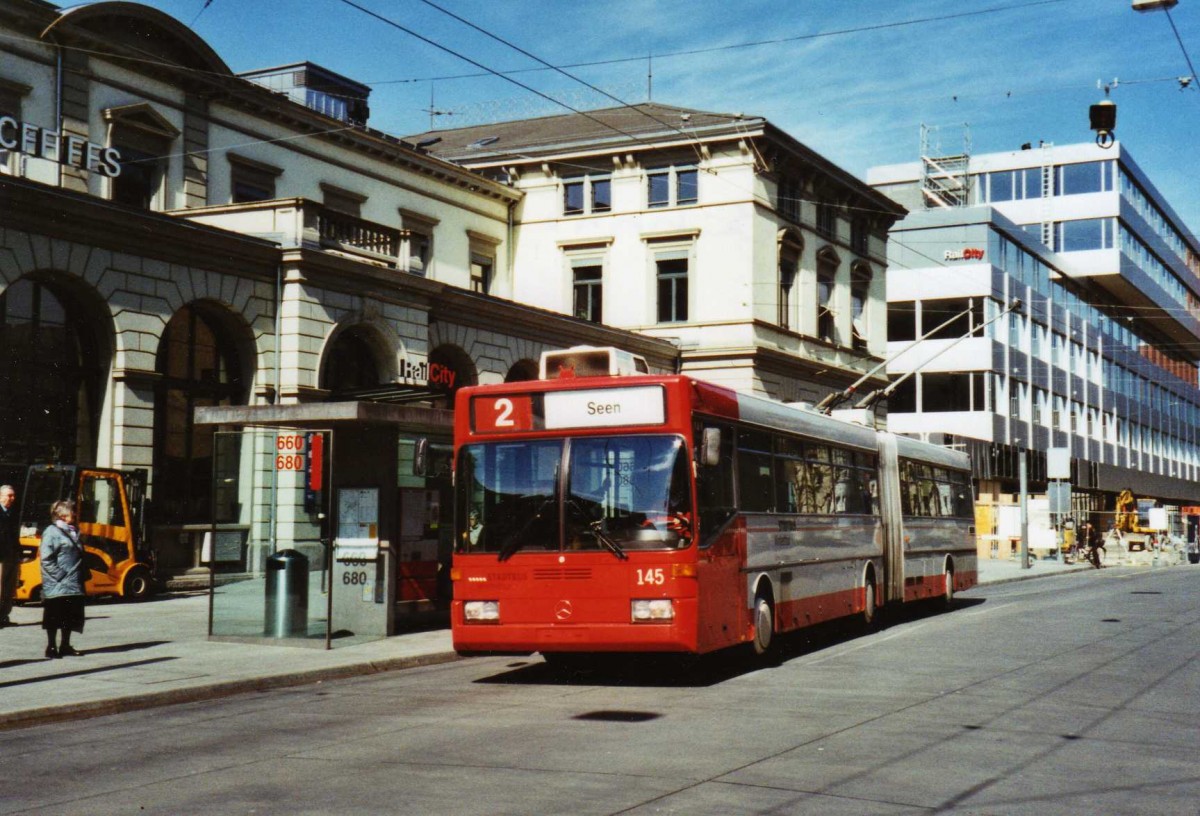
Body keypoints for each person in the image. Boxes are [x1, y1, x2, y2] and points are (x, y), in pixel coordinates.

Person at [40, 500, 86, 658]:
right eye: (72, 511)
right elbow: (46, 559)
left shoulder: (74, 530)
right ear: (62, 515)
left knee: (71, 614)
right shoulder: (51, 532)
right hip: (58, 582)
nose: (75, 513)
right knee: (54, 614)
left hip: (73, 581)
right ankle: (51, 647)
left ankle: (65, 645)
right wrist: (59, 575)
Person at [0, 484, 18, 626]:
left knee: (9, 588)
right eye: (9, 495)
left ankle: (4, 616)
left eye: (13, 495)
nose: (12, 498)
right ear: (0, 496)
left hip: (11, 556)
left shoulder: (12, 513)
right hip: (1, 557)